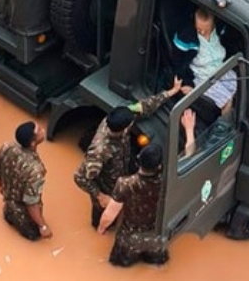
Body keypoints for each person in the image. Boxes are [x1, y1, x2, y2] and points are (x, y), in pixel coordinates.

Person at [74, 76, 182, 229]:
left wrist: (170, 92)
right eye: (131, 124)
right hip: (107, 188)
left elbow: (142, 107)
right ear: (125, 129)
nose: (133, 122)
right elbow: (79, 177)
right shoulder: (100, 151)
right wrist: (100, 195)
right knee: (103, 220)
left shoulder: (118, 119)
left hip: (122, 173)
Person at [98, 144, 168, 267]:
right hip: (156, 238)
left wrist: (101, 228)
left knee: (119, 269)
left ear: (138, 160)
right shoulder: (166, 182)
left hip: (129, 240)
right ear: (159, 166)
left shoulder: (125, 184)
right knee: (158, 267)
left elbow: (110, 214)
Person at [172, 7, 238, 130]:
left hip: (222, 69)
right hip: (203, 77)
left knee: (242, 85)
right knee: (226, 101)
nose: (202, 32)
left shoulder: (220, 29)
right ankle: (223, 130)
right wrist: (188, 86)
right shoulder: (186, 37)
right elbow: (178, 65)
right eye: (199, 29)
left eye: (205, 29)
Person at [0, 121, 52, 241]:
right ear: (33, 143)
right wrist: (43, 226)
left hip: (8, 202)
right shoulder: (35, 170)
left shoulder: (7, 147)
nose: (42, 130)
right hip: (25, 215)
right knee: (35, 238)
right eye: (39, 130)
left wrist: (1, 185)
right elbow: (31, 203)